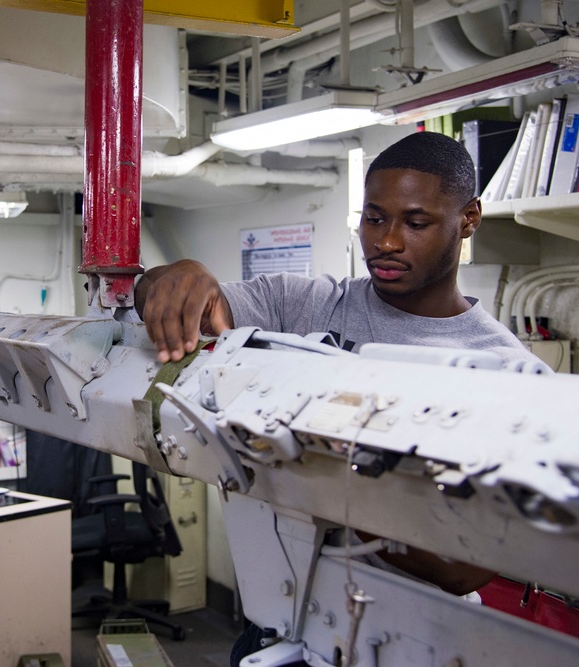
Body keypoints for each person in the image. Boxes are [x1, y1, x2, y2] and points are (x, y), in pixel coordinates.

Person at [135, 131, 548, 661]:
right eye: (373, 219)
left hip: (403, 645)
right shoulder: (301, 304)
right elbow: (183, 302)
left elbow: (466, 565)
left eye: (416, 223)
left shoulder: (510, 373)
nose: (387, 242)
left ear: (468, 219)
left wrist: (306, 473)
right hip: (275, 633)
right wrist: (174, 278)